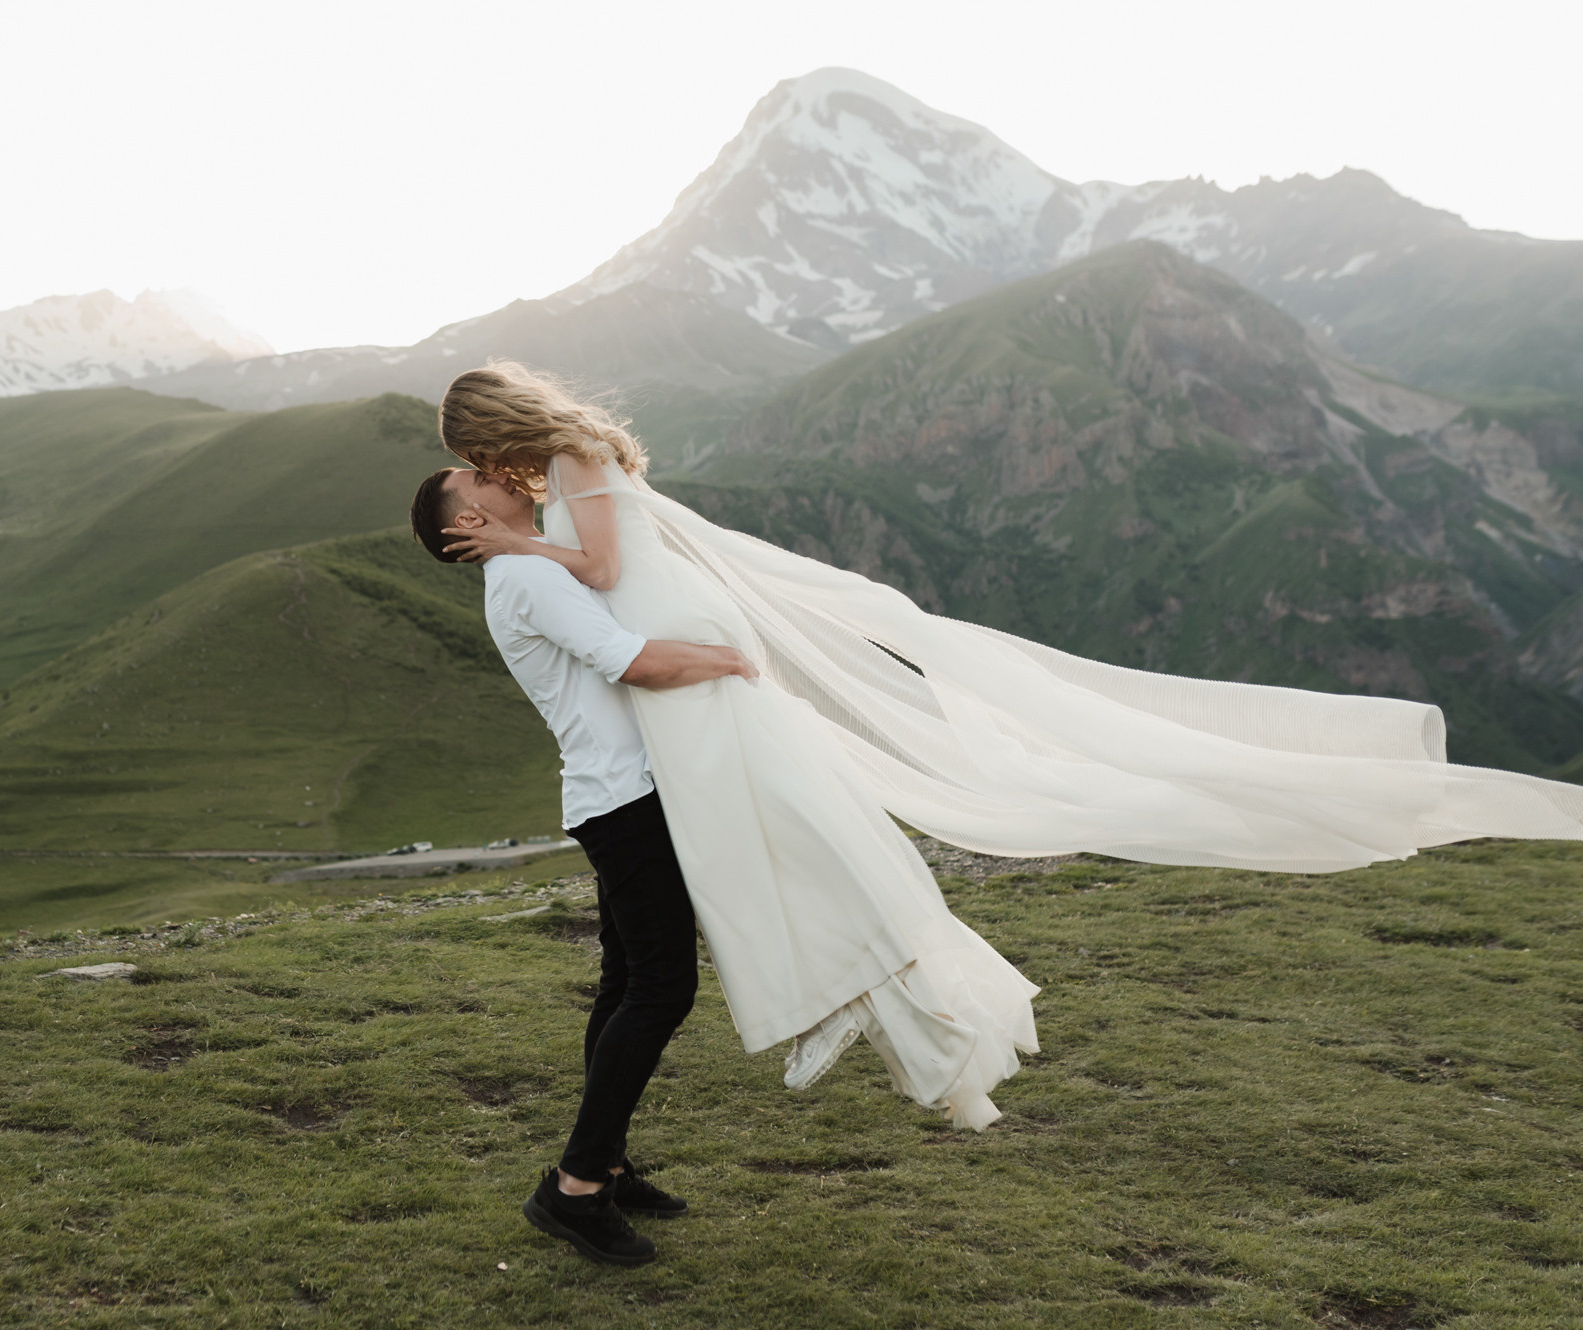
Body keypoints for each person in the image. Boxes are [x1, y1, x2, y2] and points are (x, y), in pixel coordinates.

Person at [422, 359, 1583, 1138]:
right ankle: (619, 1148)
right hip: (667, 716)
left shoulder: (564, 488)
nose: (484, 482)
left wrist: (541, 559)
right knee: (693, 934)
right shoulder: (564, 487)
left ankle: (622, 1147)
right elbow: (622, 603)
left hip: (685, 698)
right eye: (474, 483)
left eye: (472, 460)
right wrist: (548, 565)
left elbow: (616, 581)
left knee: (718, 918)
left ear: (492, 437)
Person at [409, 464, 758, 1267]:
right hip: (624, 800)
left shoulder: (533, 563)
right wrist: (729, 659)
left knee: (625, 980)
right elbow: (628, 659)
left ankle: (607, 1163)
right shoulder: (527, 575)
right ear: (465, 525)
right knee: (661, 987)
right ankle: (573, 1189)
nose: (496, 472)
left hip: (616, 794)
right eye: (476, 478)